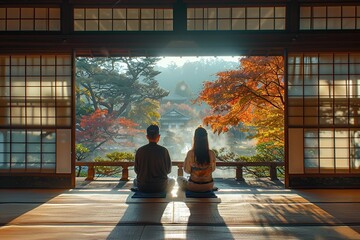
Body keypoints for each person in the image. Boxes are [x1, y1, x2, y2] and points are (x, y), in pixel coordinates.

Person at [133, 124, 175, 193]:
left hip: (143, 187)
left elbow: (137, 170)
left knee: (135, 180)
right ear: (159, 136)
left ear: (147, 137)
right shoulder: (164, 150)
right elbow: (168, 170)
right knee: (172, 181)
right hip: (160, 187)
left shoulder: (140, 150)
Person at [177, 126, 217, 192]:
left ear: (195, 138)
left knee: (179, 178)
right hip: (209, 186)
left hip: (193, 186)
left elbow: (187, 170)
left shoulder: (190, 153)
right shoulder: (211, 153)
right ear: (206, 138)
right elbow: (213, 169)